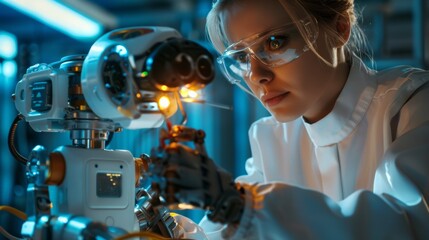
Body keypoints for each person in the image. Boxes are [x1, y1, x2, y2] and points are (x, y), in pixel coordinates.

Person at [154, 0, 429, 239]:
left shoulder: (411, 105)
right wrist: (161, 226)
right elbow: (228, 231)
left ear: (339, 29)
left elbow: (407, 225)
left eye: (275, 42)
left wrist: (237, 206)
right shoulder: (269, 137)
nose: (256, 75)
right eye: (240, 57)